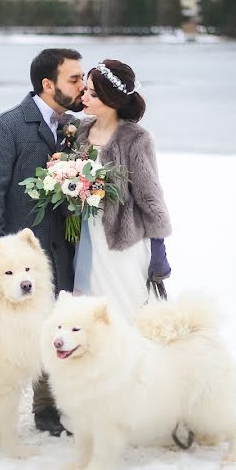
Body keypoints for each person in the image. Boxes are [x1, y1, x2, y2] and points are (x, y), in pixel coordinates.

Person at [0, 48, 85, 437]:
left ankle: (50, 406)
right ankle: (3, 408)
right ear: (47, 84)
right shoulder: (6, 126)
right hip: (23, 256)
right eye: (74, 78)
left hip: (66, 250)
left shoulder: (76, 127)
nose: (82, 85)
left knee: (60, 325)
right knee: (19, 336)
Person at [73, 59, 172, 320]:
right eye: (86, 90)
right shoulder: (80, 132)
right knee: (90, 312)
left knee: (125, 307)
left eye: (92, 93)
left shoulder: (136, 138)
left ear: (111, 99)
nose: (84, 96)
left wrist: (159, 249)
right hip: (84, 235)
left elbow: (150, 196)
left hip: (120, 241)